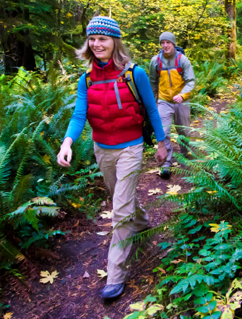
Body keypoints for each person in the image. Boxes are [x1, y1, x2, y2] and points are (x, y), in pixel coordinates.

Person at [56, 16, 167, 300]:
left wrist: (162, 144)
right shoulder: (87, 78)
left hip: (131, 147)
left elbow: (152, 111)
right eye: (92, 39)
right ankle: (141, 223)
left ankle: (115, 275)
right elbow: (80, 113)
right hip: (102, 148)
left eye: (102, 39)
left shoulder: (134, 74)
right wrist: (67, 143)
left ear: (114, 41)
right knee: (122, 198)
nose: (96, 44)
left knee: (119, 210)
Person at [149, 32, 195, 178]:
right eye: (162, 43)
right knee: (164, 132)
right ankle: (166, 164)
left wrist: (182, 95)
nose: (165, 45)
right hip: (164, 101)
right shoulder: (155, 61)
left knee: (183, 131)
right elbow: (152, 83)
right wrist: (152, 101)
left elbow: (191, 81)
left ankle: (185, 154)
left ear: (173, 44)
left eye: (168, 42)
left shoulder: (182, 60)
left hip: (181, 100)